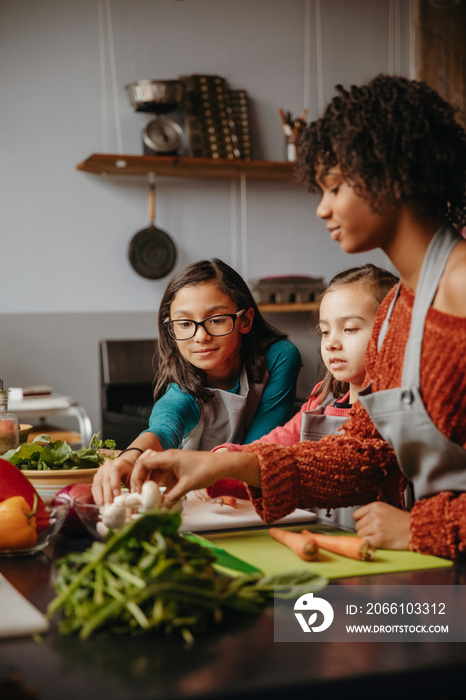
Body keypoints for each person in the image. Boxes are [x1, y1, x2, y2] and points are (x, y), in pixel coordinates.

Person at [129, 74, 466, 560]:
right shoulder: (396, 308)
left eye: (332, 188)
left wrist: (420, 528)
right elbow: (364, 456)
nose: (322, 209)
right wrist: (223, 466)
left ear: (390, 173)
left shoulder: (458, 288)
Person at [202, 263, 398, 532]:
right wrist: (227, 456)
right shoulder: (322, 401)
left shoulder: (396, 412)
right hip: (321, 541)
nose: (331, 343)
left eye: (349, 329)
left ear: (393, 335)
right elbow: (280, 442)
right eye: (326, 331)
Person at [92, 258, 302, 505]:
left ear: (245, 321)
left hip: (252, 481)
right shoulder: (182, 384)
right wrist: (129, 458)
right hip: (196, 496)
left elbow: (259, 444)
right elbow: (163, 428)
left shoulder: (280, 358)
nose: (201, 336)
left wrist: (226, 476)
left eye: (217, 320)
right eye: (184, 323)